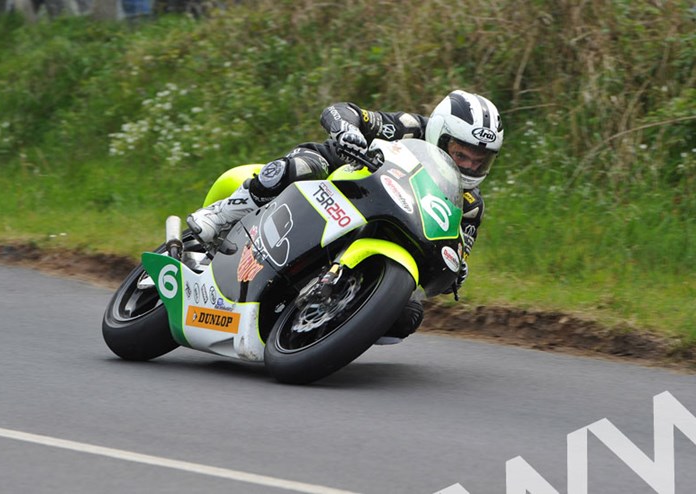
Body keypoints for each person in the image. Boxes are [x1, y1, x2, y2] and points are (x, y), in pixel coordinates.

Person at [187, 89, 504, 340]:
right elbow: (341, 111)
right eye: (461, 155)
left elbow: (458, 249)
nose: (469, 167)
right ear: (439, 134)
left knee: (408, 315)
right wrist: (347, 131)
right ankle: (218, 217)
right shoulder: (410, 128)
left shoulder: (470, 206)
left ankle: (328, 325)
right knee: (301, 167)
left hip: (385, 227)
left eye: (480, 161)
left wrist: (457, 270)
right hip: (338, 178)